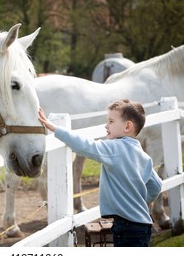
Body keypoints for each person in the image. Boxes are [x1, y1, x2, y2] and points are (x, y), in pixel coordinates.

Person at [38, 99, 162, 247]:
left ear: (127, 126)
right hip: (143, 224)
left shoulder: (115, 148)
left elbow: (87, 146)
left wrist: (56, 129)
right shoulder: (143, 155)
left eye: (110, 121)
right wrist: (137, 201)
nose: (106, 125)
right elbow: (156, 186)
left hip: (126, 227)